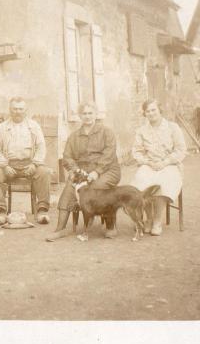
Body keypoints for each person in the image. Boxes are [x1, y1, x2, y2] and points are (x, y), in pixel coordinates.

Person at [46, 101, 121, 241]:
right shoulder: (74, 136)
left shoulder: (106, 132)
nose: (87, 116)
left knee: (96, 187)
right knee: (69, 188)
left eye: (90, 113)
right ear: (80, 116)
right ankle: (60, 229)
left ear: (96, 114)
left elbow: (109, 155)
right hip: (83, 172)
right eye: (84, 113)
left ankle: (110, 226)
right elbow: (67, 156)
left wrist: (97, 171)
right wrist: (75, 171)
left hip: (107, 170)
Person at [0, 97, 51, 225]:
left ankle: (42, 210)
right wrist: (5, 166)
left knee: (44, 172)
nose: (17, 112)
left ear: (26, 110)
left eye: (21, 109)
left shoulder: (34, 126)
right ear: (10, 110)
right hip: (8, 164)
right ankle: (0, 211)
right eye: (15, 109)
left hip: (30, 163)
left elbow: (41, 147)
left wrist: (34, 164)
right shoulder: (2, 128)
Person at [131, 99, 186, 236]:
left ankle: (157, 221)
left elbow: (181, 150)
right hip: (149, 163)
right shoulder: (141, 131)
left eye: (153, 110)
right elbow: (136, 151)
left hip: (169, 164)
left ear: (159, 110)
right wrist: (148, 162)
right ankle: (148, 218)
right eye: (147, 111)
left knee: (163, 181)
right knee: (141, 179)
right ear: (145, 114)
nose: (151, 113)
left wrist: (165, 162)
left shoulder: (173, 127)